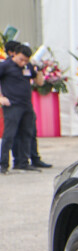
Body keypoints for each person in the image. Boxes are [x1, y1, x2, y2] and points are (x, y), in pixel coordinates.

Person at [1, 41, 51, 170]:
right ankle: (3, 164)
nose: (23, 63)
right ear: (14, 54)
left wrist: (38, 69)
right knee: (9, 135)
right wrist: (1, 98)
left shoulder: (27, 66)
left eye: (25, 60)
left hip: (26, 105)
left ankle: (22, 163)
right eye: (21, 59)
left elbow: (39, 82)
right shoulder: (5, 66)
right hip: (12, 105)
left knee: (27, 133)